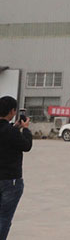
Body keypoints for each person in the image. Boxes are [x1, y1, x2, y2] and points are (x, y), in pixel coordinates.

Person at [0, 96, 33, 239]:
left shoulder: (10, 130)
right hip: (10, 181)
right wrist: (25, 129)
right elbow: (26, 145)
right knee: (4, 218)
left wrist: (15, 127)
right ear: (12, 111)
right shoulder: (12, 132)